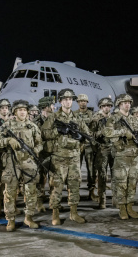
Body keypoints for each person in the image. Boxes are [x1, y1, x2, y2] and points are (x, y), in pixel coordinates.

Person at [42, 89, 90, 225]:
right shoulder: (53, 117)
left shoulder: (77, 118)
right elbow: (44, 133)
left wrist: (80, 141)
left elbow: (87, 136)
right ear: (60, 101)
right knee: (56, 186)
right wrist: (57, 131)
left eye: (70, 99)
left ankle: (73, 212)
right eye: (65, 99)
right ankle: (55, 213)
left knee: (74, 185)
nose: (68, 101)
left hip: (74, 158)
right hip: (59, 157)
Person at [0, 100, 43, 231]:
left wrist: (35, 151)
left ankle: (29, 217)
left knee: (31, 191)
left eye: (24, 110)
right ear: (15, 112)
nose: (22, 112)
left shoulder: (32, 126)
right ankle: (10, 220)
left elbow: (40, 143)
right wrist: (8, 140)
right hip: (12, 162)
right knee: (10, 192)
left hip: (28, 161)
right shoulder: (6, 126)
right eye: (19, 110)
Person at [104, 94, 138, 220]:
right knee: (121, 183)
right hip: (121, 155)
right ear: (120, 104)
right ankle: (122, 208)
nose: (127, 104)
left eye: (129, 102)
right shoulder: (113, 118)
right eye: (124, 102)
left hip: (133, 156)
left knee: (132, 182)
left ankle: (130, 207)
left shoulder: (136, 120)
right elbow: (107, 132)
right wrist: (123, 132)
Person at [89, 97, 114, 209]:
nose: (106, 108)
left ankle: (116, 199)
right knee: (102, 175)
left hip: (113, 149)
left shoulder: (114, 118)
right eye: (104, 106)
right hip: (102, 149)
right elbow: (91, 135)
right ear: (100, 107)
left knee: (116, 175)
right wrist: (102, 132)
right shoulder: (95, 119)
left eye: (108, 106)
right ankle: (102, 200)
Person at [33, 96, 55, 212]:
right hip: (41, 154)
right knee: (40, 179)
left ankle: (53, 201)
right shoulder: (35, 122)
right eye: (51, 105)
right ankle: (39, 202)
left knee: (54, 179)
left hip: (54, 153)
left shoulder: (55, 120)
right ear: (46, 107)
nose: (54, 107)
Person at [73, 94, 97, 201]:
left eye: (84, 101)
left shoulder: (92, 115)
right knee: (76, 169)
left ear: (87, 103)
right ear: (77, 102)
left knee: (91, 169)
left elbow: (95, 129)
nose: (82, 103)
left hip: (89, 145)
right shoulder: (73, 115)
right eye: (80, 101)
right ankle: (75, 192)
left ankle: (91, 191)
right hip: (77, 145)